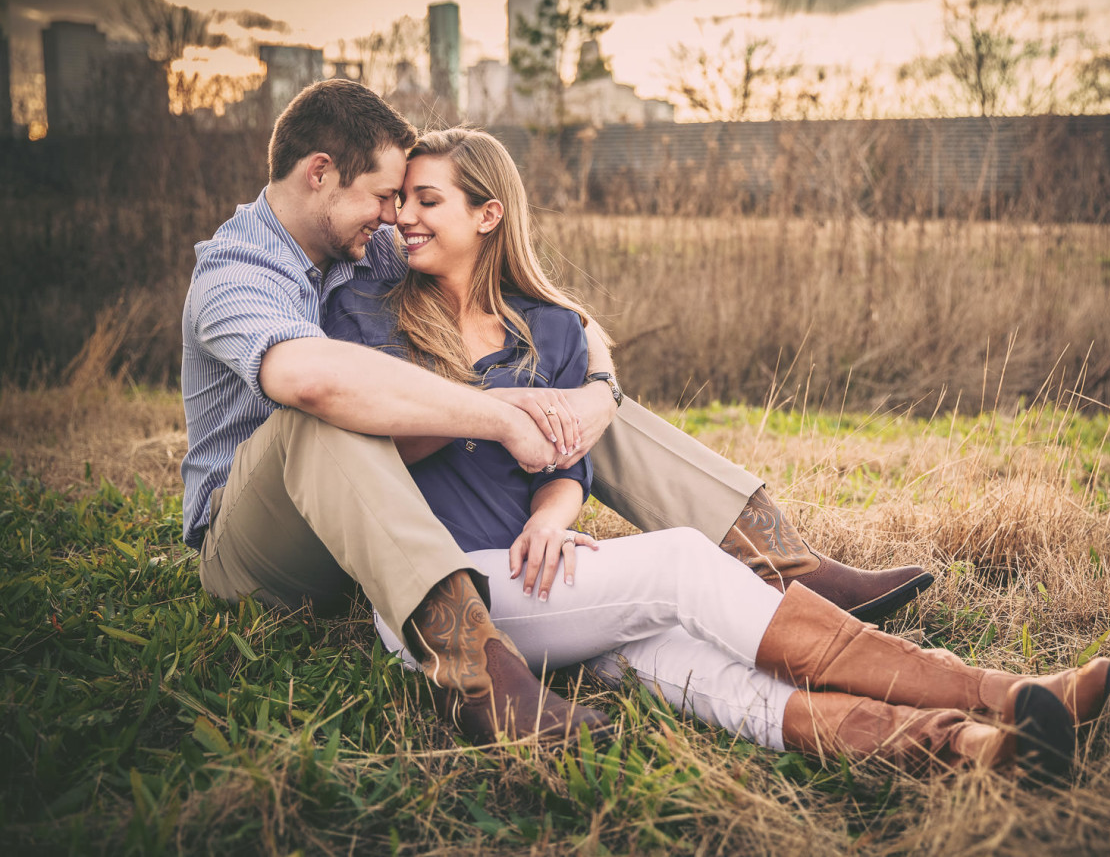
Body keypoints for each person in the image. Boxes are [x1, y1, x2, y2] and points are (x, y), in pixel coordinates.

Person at [323, 126, 1110, 782]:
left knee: (711, 677)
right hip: (443, 593)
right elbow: (370, 444)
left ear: (488, 214)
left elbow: (568, 467)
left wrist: (552, 516)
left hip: (543, 575)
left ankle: (968, 746)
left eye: (427, 202)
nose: (404, 221)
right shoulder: (373, 312)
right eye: (402, 205)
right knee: (678, 565)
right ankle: (1001, 690)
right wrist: (486, 411)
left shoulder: (551, 329)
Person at [181, 78, 933, 747]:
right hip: (262, 548)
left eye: (406, 200)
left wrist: (591, 393)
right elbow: (309, 379)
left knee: (566, 398)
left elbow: (554, 315)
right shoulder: (236, 270)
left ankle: (776, 561)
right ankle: (475, 672)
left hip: (366, 538)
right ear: (320, 174)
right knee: (326, 410)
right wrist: (499, 412)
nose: (393, 215)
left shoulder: (367, 249)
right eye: (384, 195)